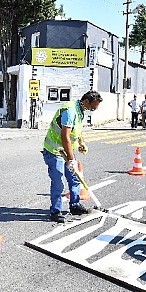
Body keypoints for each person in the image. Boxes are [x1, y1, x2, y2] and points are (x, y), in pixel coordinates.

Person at [42, 90, 103, 223]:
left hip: (67, 150)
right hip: (55, 150)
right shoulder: (70, 111)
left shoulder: (80, 110)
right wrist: (71, 160)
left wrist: (82, 142)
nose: (93, 109)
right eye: (93, 107)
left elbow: (77, 129)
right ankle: (55, 211)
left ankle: (75, 206)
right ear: (86, 101)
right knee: (58, 182)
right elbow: (65, 137)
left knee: (74, 179)